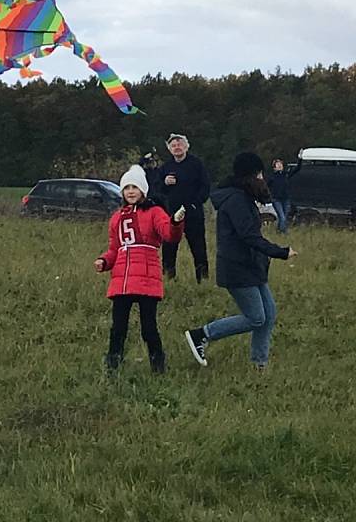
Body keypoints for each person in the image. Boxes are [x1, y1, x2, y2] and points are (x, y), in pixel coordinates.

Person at [184, 152, 298, 370]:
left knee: (269, 314)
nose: (263, 177)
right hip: (237, 268)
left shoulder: (245, 197)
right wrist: (280, 252)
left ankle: (259, 364)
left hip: (252, 266)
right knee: (255, 318)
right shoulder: (236, 200)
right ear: (251, 175)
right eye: (259, 173)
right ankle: (202, 334)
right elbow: (248, 236)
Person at [94, 164, 186, 374]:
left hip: (146, 277)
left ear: (143, 190)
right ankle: (113, 364)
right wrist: (104, 261)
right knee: (118, 327)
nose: (131, 192)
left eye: (135, 187)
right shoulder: (117, 217)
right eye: (127, 188)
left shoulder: (154, 212)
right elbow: (114, 249)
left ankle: (158, 365)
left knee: (148, 327)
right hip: (122, 279)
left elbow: (169, 234)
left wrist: (175, 222)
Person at [156, 133, 210, 282]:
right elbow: (158, 191)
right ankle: (168, 278)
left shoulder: (196, 164)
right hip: (172, 215)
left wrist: (195, 203)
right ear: (169, 149)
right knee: (169, 248)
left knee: (198, 247)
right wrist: (165, 183)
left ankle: (203, 280)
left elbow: (205, 186)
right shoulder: (165, 167)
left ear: (186, 146)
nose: (177, 147)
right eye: (173, 145)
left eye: (179, 144)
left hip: (193, 213)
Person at [267, 157, 301, 234]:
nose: (279, 165)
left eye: (281, 164)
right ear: (274, 167)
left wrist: (300, 159)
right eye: (277, 164)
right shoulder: (272, 177)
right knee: (282, 216)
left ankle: (278, 231)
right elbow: (266, 187)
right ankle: (284, 233)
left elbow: (297, 169)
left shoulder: (286, 175)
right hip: (276, 199)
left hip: (286, 199)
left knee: (284, 217)